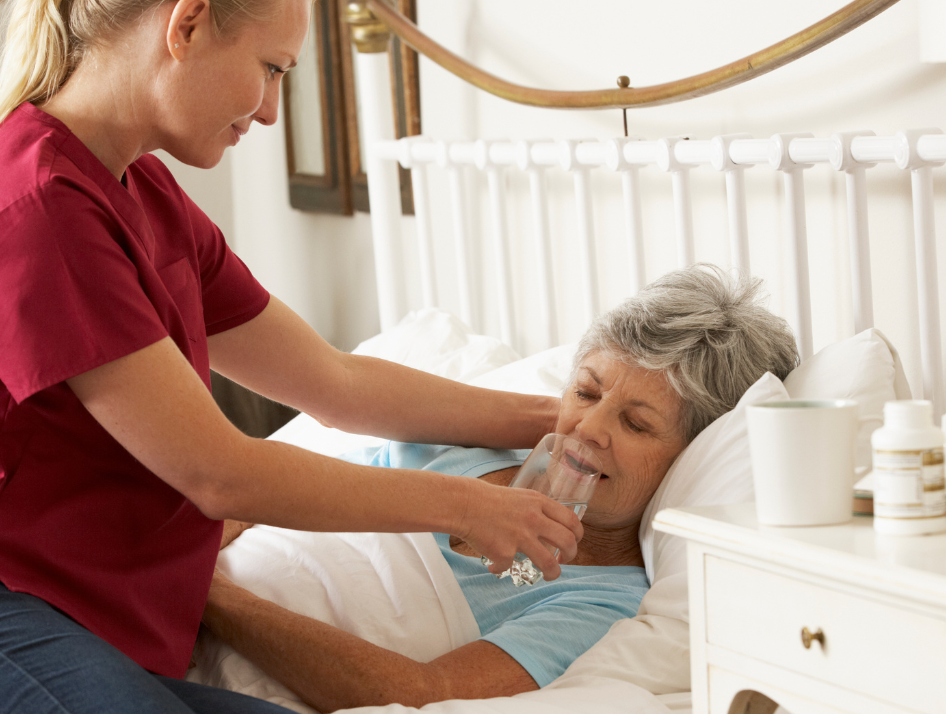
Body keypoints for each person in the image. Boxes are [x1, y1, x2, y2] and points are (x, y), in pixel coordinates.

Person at [0, 0, 583, 714]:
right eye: (273, 68)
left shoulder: (143, 193)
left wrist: (561, 420)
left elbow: (338, 386)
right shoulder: (35, 205)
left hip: (68, 630)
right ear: (187, 24)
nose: (274, 108)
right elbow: (220, 475)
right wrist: (465, 506)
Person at [200, 266, 799, 712]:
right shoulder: (458, 448)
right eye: (586, 393)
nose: (586, 429)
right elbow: (274, 489)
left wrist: (211, 597)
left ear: (691, 460)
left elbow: (419, 695)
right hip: (156, 591)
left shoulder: (602, 602)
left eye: (637, 423)